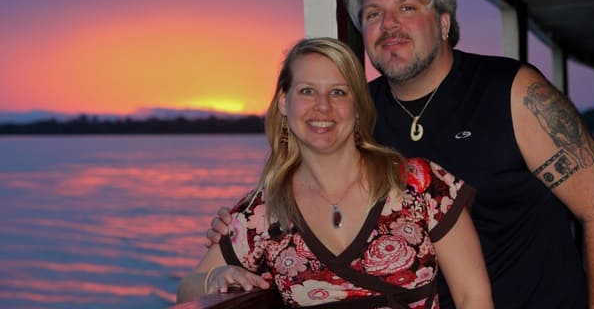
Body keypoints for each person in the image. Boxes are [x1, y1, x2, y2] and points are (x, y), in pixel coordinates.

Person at [206, 0, 594, 308]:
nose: (389, 24)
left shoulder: (514, 92)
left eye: (407, 7)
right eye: (373, 14)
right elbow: (307, 190)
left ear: (444, 23)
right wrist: (233, 231)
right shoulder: (357, 114)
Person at [177, 37, 493, 308]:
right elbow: (186, 291)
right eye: (307, 91)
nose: (323, 107)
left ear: (357, 107)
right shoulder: (263, 212)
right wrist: (214, 279)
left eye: (338, 92)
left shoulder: (420, 184)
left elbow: (472, 297)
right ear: (285, 103)